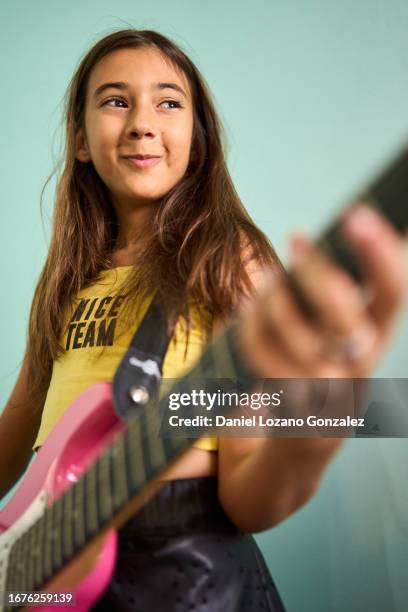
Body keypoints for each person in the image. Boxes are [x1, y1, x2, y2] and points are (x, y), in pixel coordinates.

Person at [0, 29, 406, 612]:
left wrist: (312, 432)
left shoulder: (227, 261)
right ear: (80, 140)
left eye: (169, 102)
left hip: (189, 574)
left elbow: (249, 499)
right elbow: (17, 431)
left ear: (199, 139)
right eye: (115, 101)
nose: (143, 122)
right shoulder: (69, 277)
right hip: (52, 568)